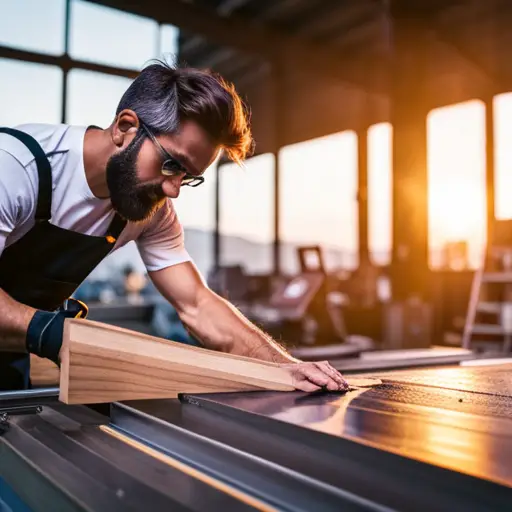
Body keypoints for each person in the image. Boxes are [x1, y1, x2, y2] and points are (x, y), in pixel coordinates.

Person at [0, 61, 348, 393]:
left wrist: (284, 368)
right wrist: (54, 333)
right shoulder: (15, 166)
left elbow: (197, 304)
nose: (173, 189)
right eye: (170, 164)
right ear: (125, 127)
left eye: (188, 177)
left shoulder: (149, 210)